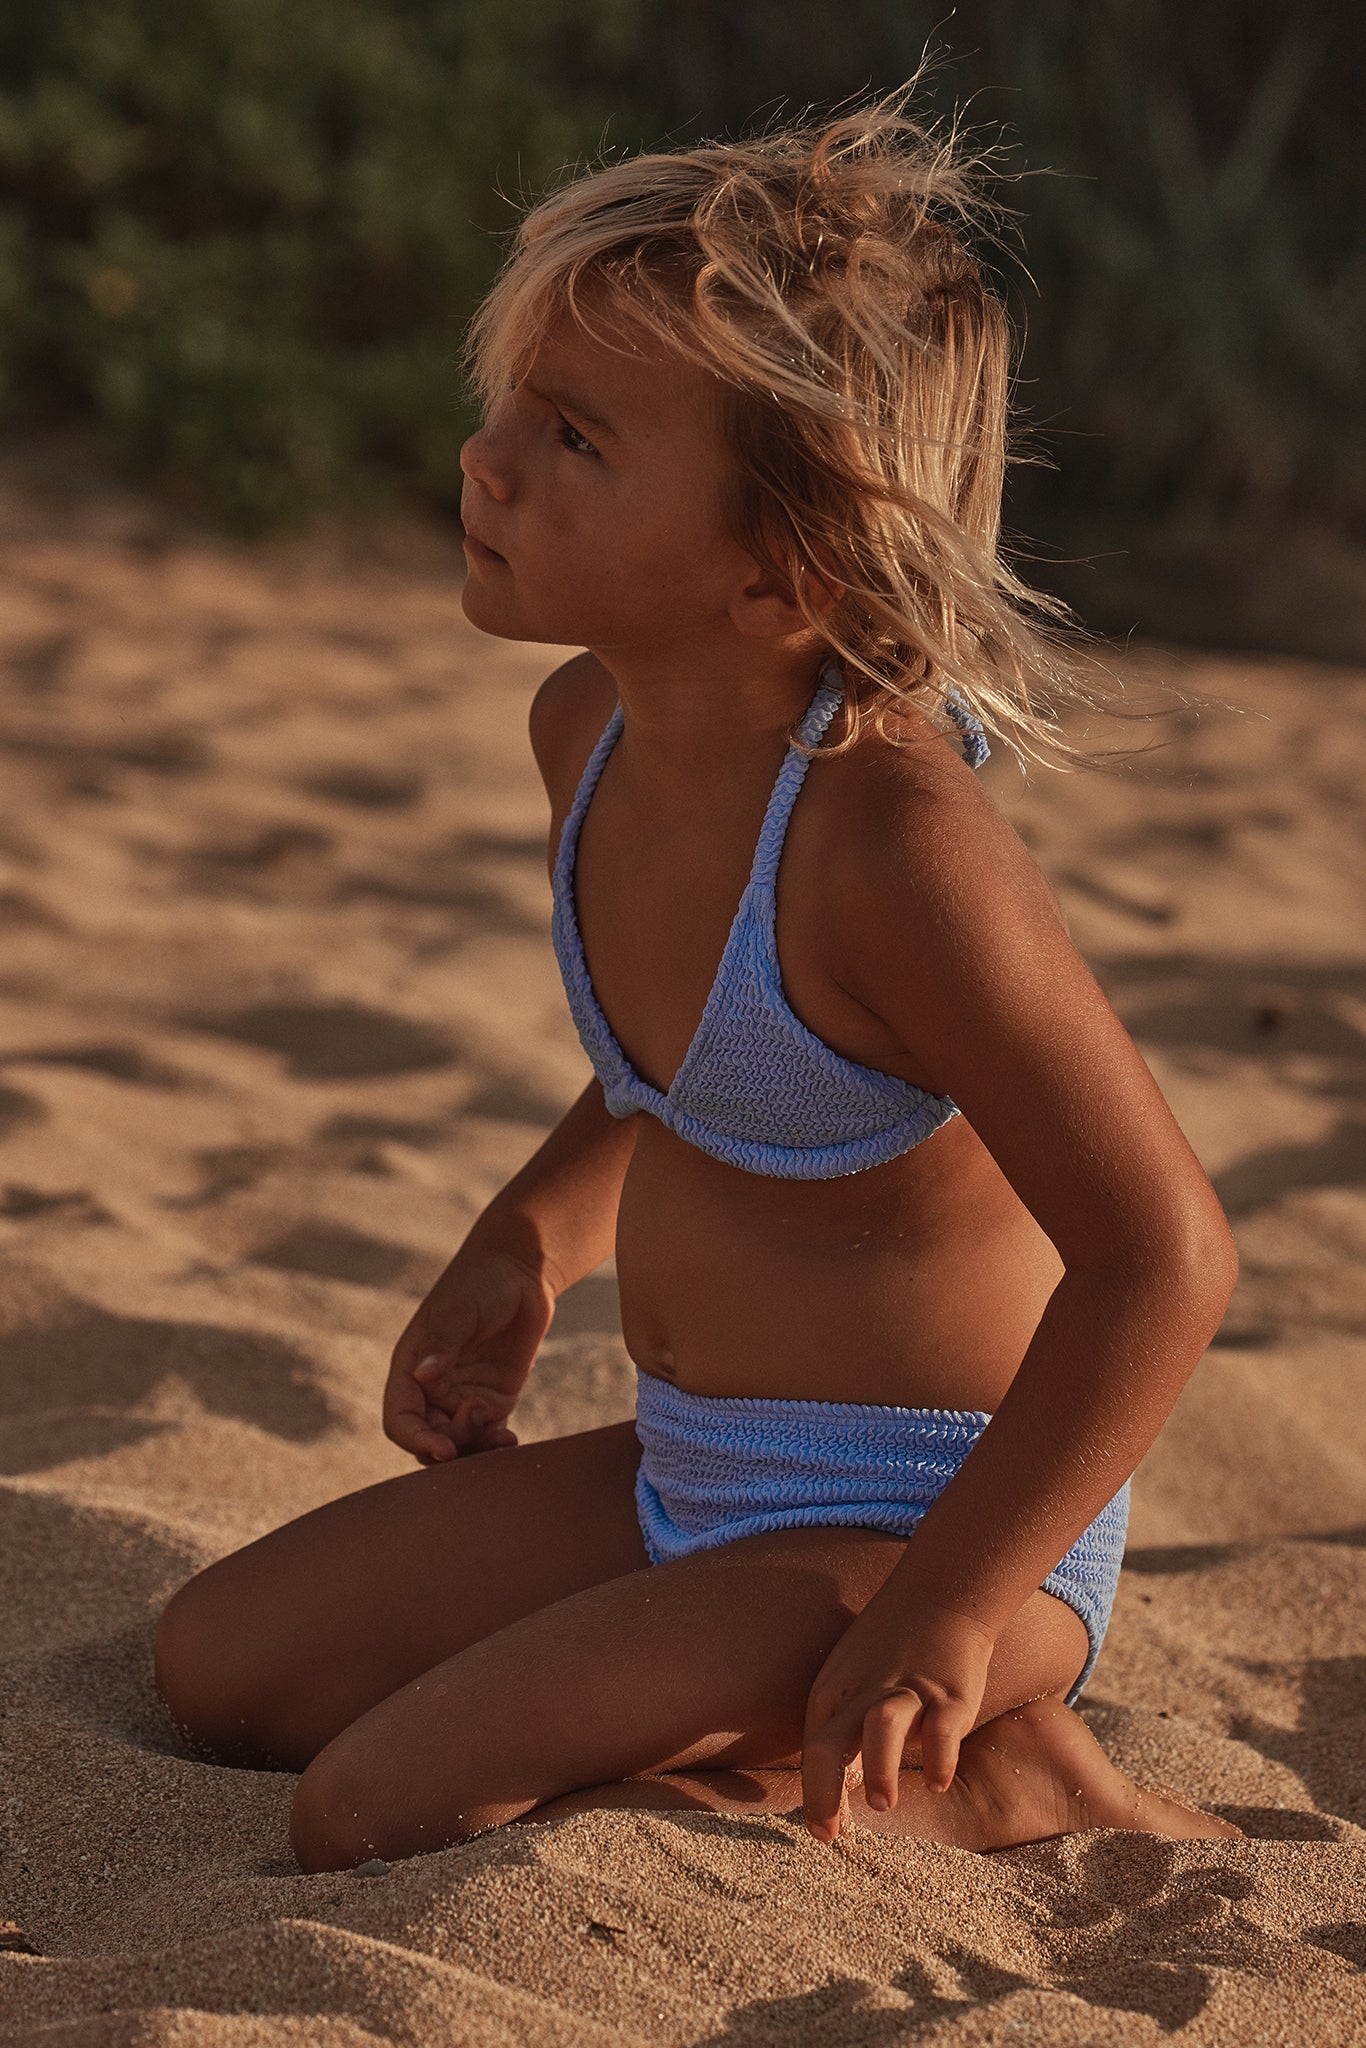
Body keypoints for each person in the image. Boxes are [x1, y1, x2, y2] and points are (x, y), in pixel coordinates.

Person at [154, 95, 1242, 1873]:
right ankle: (782, 1706)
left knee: (372, 1811)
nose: (487, 459)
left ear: (782, 569)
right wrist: (529, 1238)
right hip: (689, 1471)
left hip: (931, 1520)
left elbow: (1164, 1253)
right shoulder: (582, 729)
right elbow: (694, 1061)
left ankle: (998, 1756)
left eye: (573, 436)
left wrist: (954, 1607)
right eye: (509, 404)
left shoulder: (893, 849)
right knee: (219, 1667)